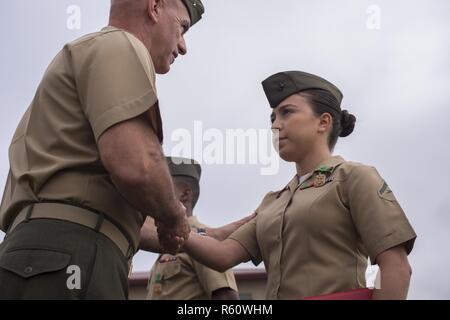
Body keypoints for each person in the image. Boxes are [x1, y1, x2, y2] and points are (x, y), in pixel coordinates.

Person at [0, 0, 204, 299]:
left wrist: (211, 234)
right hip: (74, 254)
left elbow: (92, 200)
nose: (183, 46)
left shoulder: (83, 55)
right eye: (183, 27)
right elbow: (138, 166)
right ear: (155, 6)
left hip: (35, 254)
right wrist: (173, 215)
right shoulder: (121, 46)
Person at [166, 70, 417, 300]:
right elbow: (223, 254)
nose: (275, 125)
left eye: (287, 112)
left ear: (323, 122)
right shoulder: (273, 202)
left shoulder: (354, 178)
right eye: (272, 117)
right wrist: (171, 220)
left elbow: (396, 267)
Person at [146, 157, 239, 300]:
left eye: (164, 188)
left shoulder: (205, 240)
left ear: (185, 194)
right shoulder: (164, 237)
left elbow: (226, 298)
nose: (156, 194)